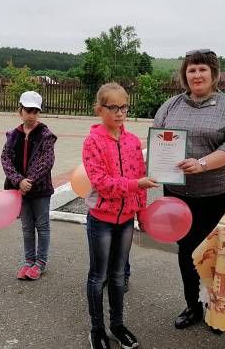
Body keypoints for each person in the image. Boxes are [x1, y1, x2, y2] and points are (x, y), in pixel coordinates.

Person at [153, 49, 225, 330]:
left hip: (217, 194)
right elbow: (158, 140)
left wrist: (202, 164)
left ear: (214, 74)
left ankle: (216, 309)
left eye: (202, 69)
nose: (197, 75)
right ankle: (192, 305)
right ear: (185, 74)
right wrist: (158, 167)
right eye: (191, 70)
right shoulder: (170, 106)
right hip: (178, 196)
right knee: (187, 251)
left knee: (217, 252)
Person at [83, 82, 158, 349]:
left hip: (126, 220)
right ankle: (97, 329)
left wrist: (142, 212)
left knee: (117, 275)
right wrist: (136, 185)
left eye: (124, 107)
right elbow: (103, 183)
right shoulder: (92, 142)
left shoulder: (132, 141)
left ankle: (117, 325)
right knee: (98, 276)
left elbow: (141, 177)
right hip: (101, 220)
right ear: (99, 109)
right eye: (112, 107)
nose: (119, 113)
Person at [1, 90, 57, 281]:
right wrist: (18, 181)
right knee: (26, 226)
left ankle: (40, 262)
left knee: (42, 226)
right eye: (28, 110)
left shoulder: (46, 135)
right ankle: (28, 260)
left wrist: (29, 181)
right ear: (20, 111)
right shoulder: (13, 135)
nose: (32, 115)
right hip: (20, 189)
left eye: (35, 111)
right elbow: (6, 159)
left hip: (40, 189)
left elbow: (46, 161)